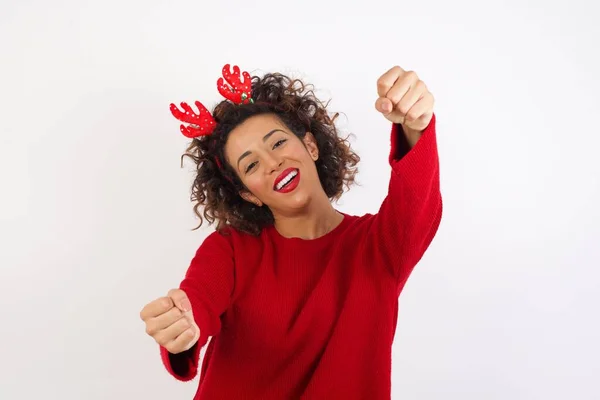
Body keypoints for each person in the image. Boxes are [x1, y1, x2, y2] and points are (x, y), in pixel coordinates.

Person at [139, 63, 443, 399]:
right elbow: (198, 302)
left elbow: (418, 198)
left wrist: (415, 126)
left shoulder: (379, 247)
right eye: (251, 164)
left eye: (278, 143)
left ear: (310, 146)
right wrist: (182, 324)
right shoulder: (231, 249)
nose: (272, 163)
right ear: (248, 193)